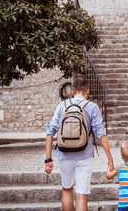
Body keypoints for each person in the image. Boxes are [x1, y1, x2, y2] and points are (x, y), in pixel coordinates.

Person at [45, 77, 114, 211]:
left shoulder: (62, 106)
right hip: (84, 156)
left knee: (66, 190)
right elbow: (101, 134)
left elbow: (50, 133)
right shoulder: (92, 107)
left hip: (64, 155)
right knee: (81, 195)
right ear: (87, 91)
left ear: (72, 91)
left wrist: (48, 159)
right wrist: (110, 159)